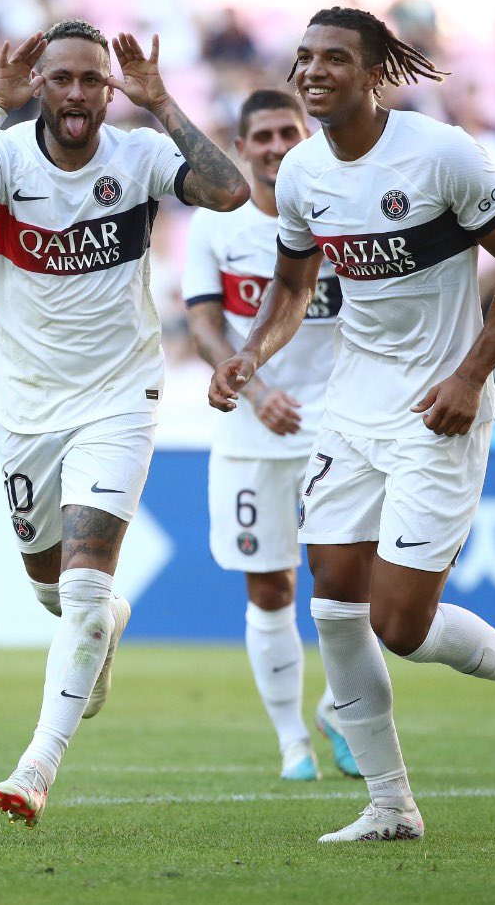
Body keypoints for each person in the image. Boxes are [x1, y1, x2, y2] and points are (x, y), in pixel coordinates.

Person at [208, 7, 495, 844]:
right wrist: (251, 355)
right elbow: (293, 287)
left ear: (376, 71)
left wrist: (470, 374)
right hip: (351, 409)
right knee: (334, 608)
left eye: (334, 58)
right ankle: (390, 805)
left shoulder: (441, 153)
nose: (313, 70)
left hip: (437, 409)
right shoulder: (304, 173)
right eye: (304, 56)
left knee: (400, 625)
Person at [0, 18, 248, 825]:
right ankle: (103, 627)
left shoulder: (137, 156)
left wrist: (162, 101)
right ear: (40, 85)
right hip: (28, 405)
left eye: (90, 82)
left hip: (120, 397)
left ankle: (36, 766)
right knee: (55, 594)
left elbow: (231, 193)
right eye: (61, 78)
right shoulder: (4, 155)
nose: (76, 95)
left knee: (84, 580)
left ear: (109, 89)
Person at [182, 89, 357, 781]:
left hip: (340, 427)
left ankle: (340, 708)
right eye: (264, 135)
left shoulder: (341, 210)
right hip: (253, 433)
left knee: (346, 587)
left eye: (289, 130)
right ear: (242, 145)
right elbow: (202, 325)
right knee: (270, 589)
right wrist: (253, 390)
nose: (278, 144)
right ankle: (293, 741)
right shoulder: (214, 228)